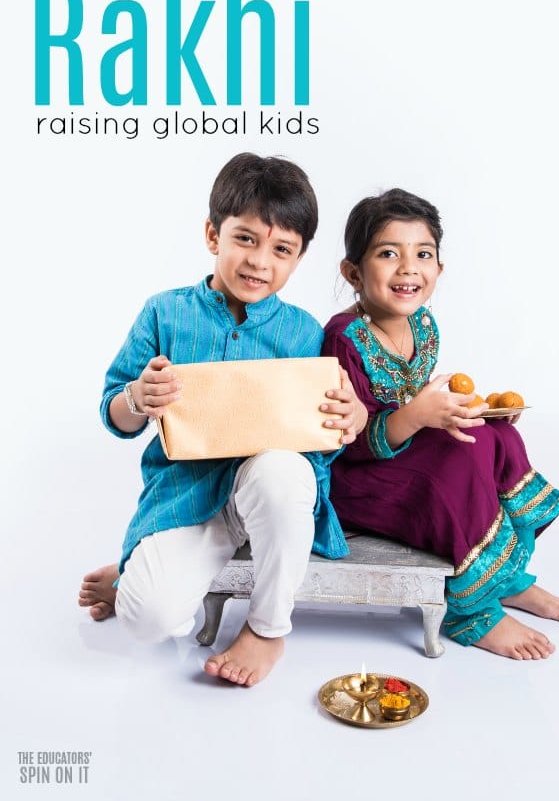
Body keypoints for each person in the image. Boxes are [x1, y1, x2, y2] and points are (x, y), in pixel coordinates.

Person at [79, 153, 366, 687]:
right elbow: (114, 412)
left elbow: (322, 435)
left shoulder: (304, 333)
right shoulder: (164, 312)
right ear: (214, 235)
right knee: (149, 621)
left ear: (298, 259)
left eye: (282, 250)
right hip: (187, 497)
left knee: (283, 473)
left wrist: (351, 419)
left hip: (269, 485)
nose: (261, 261)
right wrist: (138, 398)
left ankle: (267, 629)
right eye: (246, 239)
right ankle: (134, 575)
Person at [322, 188, 559, 660]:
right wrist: (417, 415)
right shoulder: (344, 338)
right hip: (355, 475)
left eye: (423, 254)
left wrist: (462, 411)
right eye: (387, 254)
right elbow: (345, 442)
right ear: (353, 272)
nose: (408, 268)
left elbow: (423, 402)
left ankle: (507, 578)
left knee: (493, 434)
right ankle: (470, 610)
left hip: (403, 450)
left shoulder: (423, 325)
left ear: (440, 268)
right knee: (453, 467)